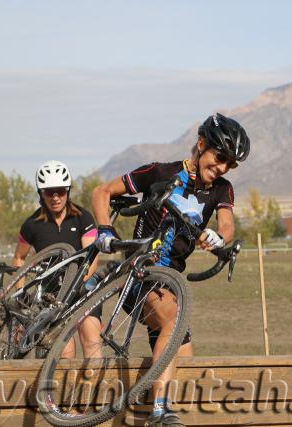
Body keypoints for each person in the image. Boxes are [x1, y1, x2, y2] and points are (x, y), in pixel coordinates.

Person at [92, 113, 250, 426]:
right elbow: (101, 192)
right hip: (139, 271)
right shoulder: (159, 172)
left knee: (185, 367)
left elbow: (227, 224)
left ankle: (151, 404)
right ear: (201, 144)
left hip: (170, 284)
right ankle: (159, 412)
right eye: (219, 158)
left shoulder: (222, 189)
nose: (221, 168)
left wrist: (220, 237)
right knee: (173, 321)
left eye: (229, 164)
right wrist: (105, 230)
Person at [12, 160, 101, 358]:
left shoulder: (82, 217)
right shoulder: (32, 225)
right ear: (40, 193)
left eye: (60, 191)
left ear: (67, 191)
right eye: (49, 191)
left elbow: (92, 254)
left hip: (82, 288)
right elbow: (19, 258)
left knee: (92, 342)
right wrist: (20, 293)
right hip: (52, 295)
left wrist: (81, 281)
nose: (55, 197)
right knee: (63, 354)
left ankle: (93, 388)